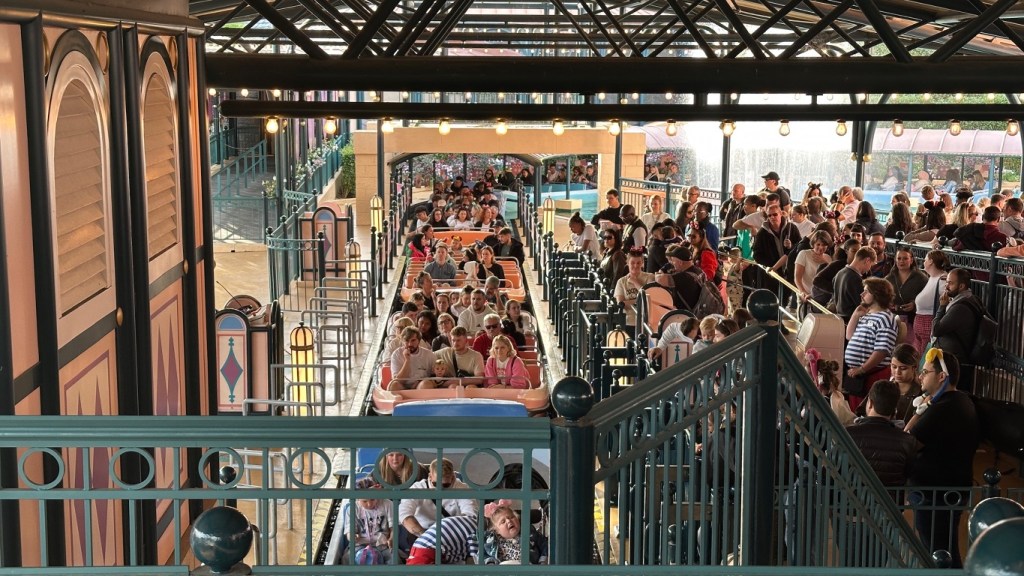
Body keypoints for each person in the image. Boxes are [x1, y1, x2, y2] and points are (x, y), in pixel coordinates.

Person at [905, 349, 979, 569]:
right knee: (944, 549)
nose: (920, 376)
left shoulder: (943, 409)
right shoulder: (961, 401)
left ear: (941, 377)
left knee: (939, 554)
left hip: (935, 496)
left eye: (925, 372)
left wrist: (922, 408)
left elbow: (908, 441)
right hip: (948, 493)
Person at [844, 278, 899, 411]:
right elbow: (849, 336)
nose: (862, 295)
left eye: (866, 292)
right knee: (854, 410)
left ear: (877, 294)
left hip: (871, 373)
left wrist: (862, 368)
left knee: (867, 409)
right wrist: (856, 315)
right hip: (858, 374)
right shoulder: (867, 314)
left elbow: (882, 350)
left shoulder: (885, 318)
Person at [399, 458, 477, 550]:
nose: (440, 490)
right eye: (436, 484)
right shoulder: (418, 488)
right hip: (422, 534)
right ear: (430, 476)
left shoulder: (462, 488)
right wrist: (426, 536)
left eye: (445, 485)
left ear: (453, 478)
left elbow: (471, 515)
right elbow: (404, 515)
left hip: (451, 534)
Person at [930, 268, 984, 393]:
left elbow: (936, 329)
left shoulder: (960, 307)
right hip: (955, 360)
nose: (946, 286)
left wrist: (942, 307)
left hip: (957, 362)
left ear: (961, 286)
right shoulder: (967, 299)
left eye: (950, 283)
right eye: (946, 282)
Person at [332, 485, 394, 565]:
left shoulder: (387, 504)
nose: (369, 504)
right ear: (358, 499)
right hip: (360, 544)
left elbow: (394, 528)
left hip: (382, 545)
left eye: (372, 499)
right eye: (364, 501)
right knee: (347, 559)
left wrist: (392, 538)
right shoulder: (352, 508)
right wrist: (353, 537)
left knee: (394, 560)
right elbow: (349, 532)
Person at [753, 205, 801, 296]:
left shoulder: (792, 228)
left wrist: (791, 246)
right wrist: (772, 266)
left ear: (781, 214)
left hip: (790, 271)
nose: (772, 217)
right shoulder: (762, 233)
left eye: (775, 214)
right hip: (772, 274)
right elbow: (756, 254)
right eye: (769, 215)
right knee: (773, 298)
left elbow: (799, 246)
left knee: (788, 299)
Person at [482, 500, 548, 565]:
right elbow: (483, 555)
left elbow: (544, 545)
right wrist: (490, 563)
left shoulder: (530, 533)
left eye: (512, 517)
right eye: (503, 521)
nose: (508, 521)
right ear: (497, 531)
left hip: (527, 567)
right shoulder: (491, 542)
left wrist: (543, 560)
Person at [911, 250, 949, 353]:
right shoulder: (933, 277)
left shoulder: (942, 279)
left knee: (925, 359)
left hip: (928, 323)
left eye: (925, 260)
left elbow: (946, 299)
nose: (924, 262)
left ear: (931, 261)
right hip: (921, 323)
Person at [885, 247, 927, 329]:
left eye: (905, 258)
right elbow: (881, 297)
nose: (901, 261)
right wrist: (887, 303)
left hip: (913, 320)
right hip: (891, 320)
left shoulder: (921, 278)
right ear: (895, 260)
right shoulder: (889, 278)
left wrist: (914, 305)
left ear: (911, 260)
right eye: (899, 258)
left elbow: (928, 299)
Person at [830, 247, 874, 323]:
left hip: (839, 319)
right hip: (851, 321)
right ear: (867, 260)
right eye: (871, 265)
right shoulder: (856, 279)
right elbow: (862, 305)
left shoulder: (840, 273)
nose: (869, 269)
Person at [614, 250, 655, 329]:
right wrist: (640, 301)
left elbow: (650, 299)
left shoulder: (650, 277)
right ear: (627, 263)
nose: (635, 266)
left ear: (642, 263)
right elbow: (621, 304)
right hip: (629, 322)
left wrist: (635, 282)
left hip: (646, 323)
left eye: (638, 263)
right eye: (632, 263)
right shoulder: (621, 281)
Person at [886, 344, 923, 428]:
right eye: (893, 367)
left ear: (914, 367)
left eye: (903, 368)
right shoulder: (884, 388)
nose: (897, 372)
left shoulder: (921, 394)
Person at [794, 231, 833, 300]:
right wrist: (803, 292)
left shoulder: (828, 258)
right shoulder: (804, 254)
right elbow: (797, 278)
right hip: (807, 297)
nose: (821, 247)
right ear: (813, 244)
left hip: (824, 298)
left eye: (824, 245)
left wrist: (824, 262)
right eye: (818, 244)